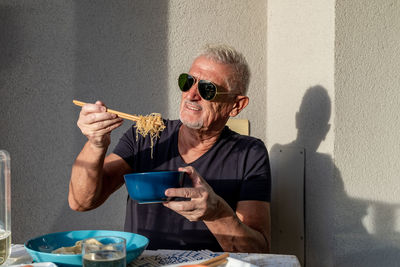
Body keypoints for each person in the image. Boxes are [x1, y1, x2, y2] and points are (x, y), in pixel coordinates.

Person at [68, 44, 271, 253]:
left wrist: (216, 213)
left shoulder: (249, 153)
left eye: (207, 89)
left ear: (236, 105)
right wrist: (95, 144)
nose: (191, 95)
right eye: (188, 82)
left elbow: (259, 251)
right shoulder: (146, 136)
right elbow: (81, 201)